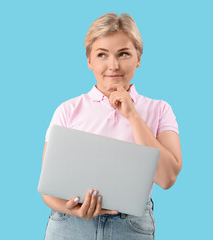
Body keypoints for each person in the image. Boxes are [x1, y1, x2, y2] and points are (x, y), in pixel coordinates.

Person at [41, 12, 182, 240]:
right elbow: (48, 189)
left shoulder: (160, 110)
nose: (113, 65)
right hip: (70, 225)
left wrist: (133, 115)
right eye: (102, 55)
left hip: (131, 227)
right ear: (89, 61)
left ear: (138, 58)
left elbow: (167, 178)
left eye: (124, 54)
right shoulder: (67, 110)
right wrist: (74, 209)